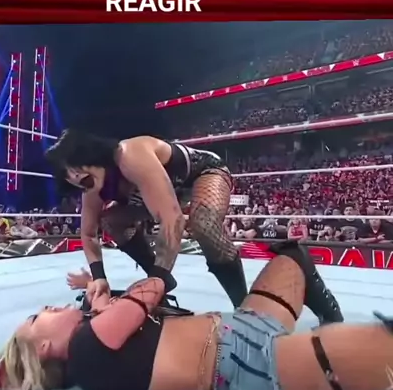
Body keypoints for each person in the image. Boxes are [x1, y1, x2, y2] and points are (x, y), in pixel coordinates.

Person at [0, 240, 392, 390]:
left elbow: (133, 308)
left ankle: (332, 318)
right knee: (379, 344)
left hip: (244, 325)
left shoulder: (95, 337)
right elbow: (155, 286)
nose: (46, 308)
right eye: (37, 318)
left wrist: (100, 300)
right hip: (254, 363)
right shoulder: (87, 351)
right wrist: (166, 247)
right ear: (44, 348)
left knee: (293, 258)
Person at [45, 130, 342, 323]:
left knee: (204, 224)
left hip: (202, 174)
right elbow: (88, 233)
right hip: (162, 196)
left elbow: (172, 219)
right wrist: (99, 277)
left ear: (93, 158)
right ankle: (161, 280)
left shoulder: (129, 155)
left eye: (84, 177)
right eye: (77, 183)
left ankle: (245, 305)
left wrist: (159, 278)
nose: (83, 186)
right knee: (113, 219)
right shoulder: (94, 189)